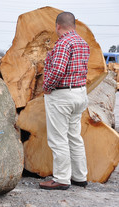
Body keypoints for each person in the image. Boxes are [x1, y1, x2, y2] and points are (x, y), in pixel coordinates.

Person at [39, 12, 90, 190]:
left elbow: (59, 70)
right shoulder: (82, 43)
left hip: (62, 96)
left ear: (58, 26)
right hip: (79, 94)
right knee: (74, 136)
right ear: (74, 26)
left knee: (58, 138)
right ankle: (79, 176)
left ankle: (61, 178)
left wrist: (47, 86)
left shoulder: (63, 43)